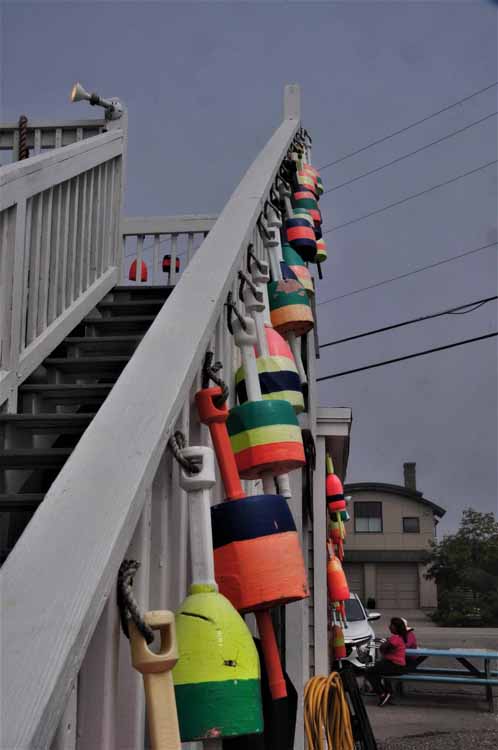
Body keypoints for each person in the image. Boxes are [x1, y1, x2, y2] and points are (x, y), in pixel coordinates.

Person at [365, 617, 408, 706]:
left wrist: (385, 643)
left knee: (369, 671)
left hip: (394, 666)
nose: (389, 626)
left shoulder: (395, 638)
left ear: (397, 627)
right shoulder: (399, 637)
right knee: (375, 670)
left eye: (392, 625)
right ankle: (387, 692)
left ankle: (382, 693)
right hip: (396, 666)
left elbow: (384, 649)